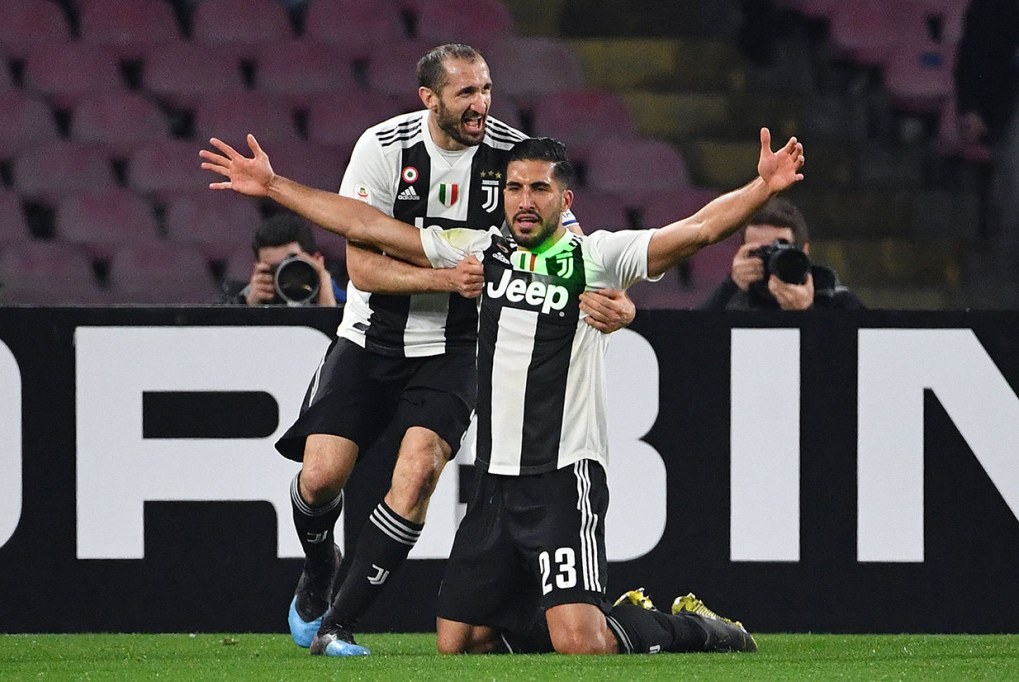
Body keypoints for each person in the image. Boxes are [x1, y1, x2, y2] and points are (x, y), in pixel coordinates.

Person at [199, 124, 804, 656]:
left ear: (565, 199)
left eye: (539, 189)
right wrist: (275, 186)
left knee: (579, 646)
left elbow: (695, 231)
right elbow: (362, 223)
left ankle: (694, 630)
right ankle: (593, 616)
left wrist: (761, 190)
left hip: (563, 477)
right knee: (459, 642)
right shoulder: (481, 255)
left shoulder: (595, 258)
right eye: (514, 188)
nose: (524, 200)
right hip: (493, 482)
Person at [234, 43, 636, 655]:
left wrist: (622, 305)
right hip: (370, 337)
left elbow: (572, 252)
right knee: (319, 480)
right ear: (430, 99)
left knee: (419, 470)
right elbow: (362, 264)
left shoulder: (511, 155)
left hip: (458, 345)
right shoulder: (384, 148)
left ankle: (340, 623)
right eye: (466, 94)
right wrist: (442, 277)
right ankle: (318, 572)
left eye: (486, 89)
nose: (481, 105)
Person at [697, 197, 864, 310]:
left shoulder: (836, 299)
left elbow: (855, 355)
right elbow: (691, 338)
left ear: (803, 251)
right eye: (761, 251)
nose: (772, 258)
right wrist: (731, 286)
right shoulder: (732, 302)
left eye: (780, 248)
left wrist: (807, 313)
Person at [954, 0, 1019, 284]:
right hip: (1010, 111)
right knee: (1014, 208)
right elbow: (974, 55)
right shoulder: (994, 7)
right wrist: (973, 108)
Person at [215, 211, 345, 306]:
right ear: (258, 268)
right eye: (275, 268)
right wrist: (248, 307)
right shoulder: (237, 295)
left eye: (291, 265)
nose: (283, 275)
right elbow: (213, 332)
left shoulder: (350, 301)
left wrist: (327, 304)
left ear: (317, 260)